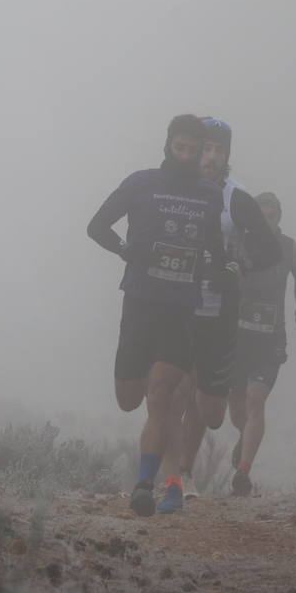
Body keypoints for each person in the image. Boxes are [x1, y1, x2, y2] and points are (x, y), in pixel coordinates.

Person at [87, 114, 226, 517]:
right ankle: (157, 478)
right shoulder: (141, 183)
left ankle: (150, 484)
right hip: (140, 303)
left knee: (162, 394)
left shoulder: (209, 195)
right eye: (179, 147)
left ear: (201, 150)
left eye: (193, 149)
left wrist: (222, 269)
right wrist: (125, 250)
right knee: (129, 399)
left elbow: (215, 249)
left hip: (181, 308)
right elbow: (96, 226)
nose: (186, 155)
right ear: (168, 144)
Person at [157, 117, 280, 513]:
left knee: (208, 410)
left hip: (218, 311)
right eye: (205, 149)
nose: (210, 158)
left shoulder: (236, 197)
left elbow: (270, 250)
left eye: (218, 151)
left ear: (227, 155)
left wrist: (237, 268)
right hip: (175, 303)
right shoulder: (173, 186)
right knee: (173, 391)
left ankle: (185, 467)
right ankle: (175, 478)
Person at [228, 191, 296, 495]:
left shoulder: (291, 248)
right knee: (236, 405)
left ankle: (243, 472)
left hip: (271, 337)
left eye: (273, 210)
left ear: (279, 214)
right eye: (262, 210)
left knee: (256, 399)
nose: (267, 214)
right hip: (237, 335)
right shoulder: (239, 242)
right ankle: (244, 435)